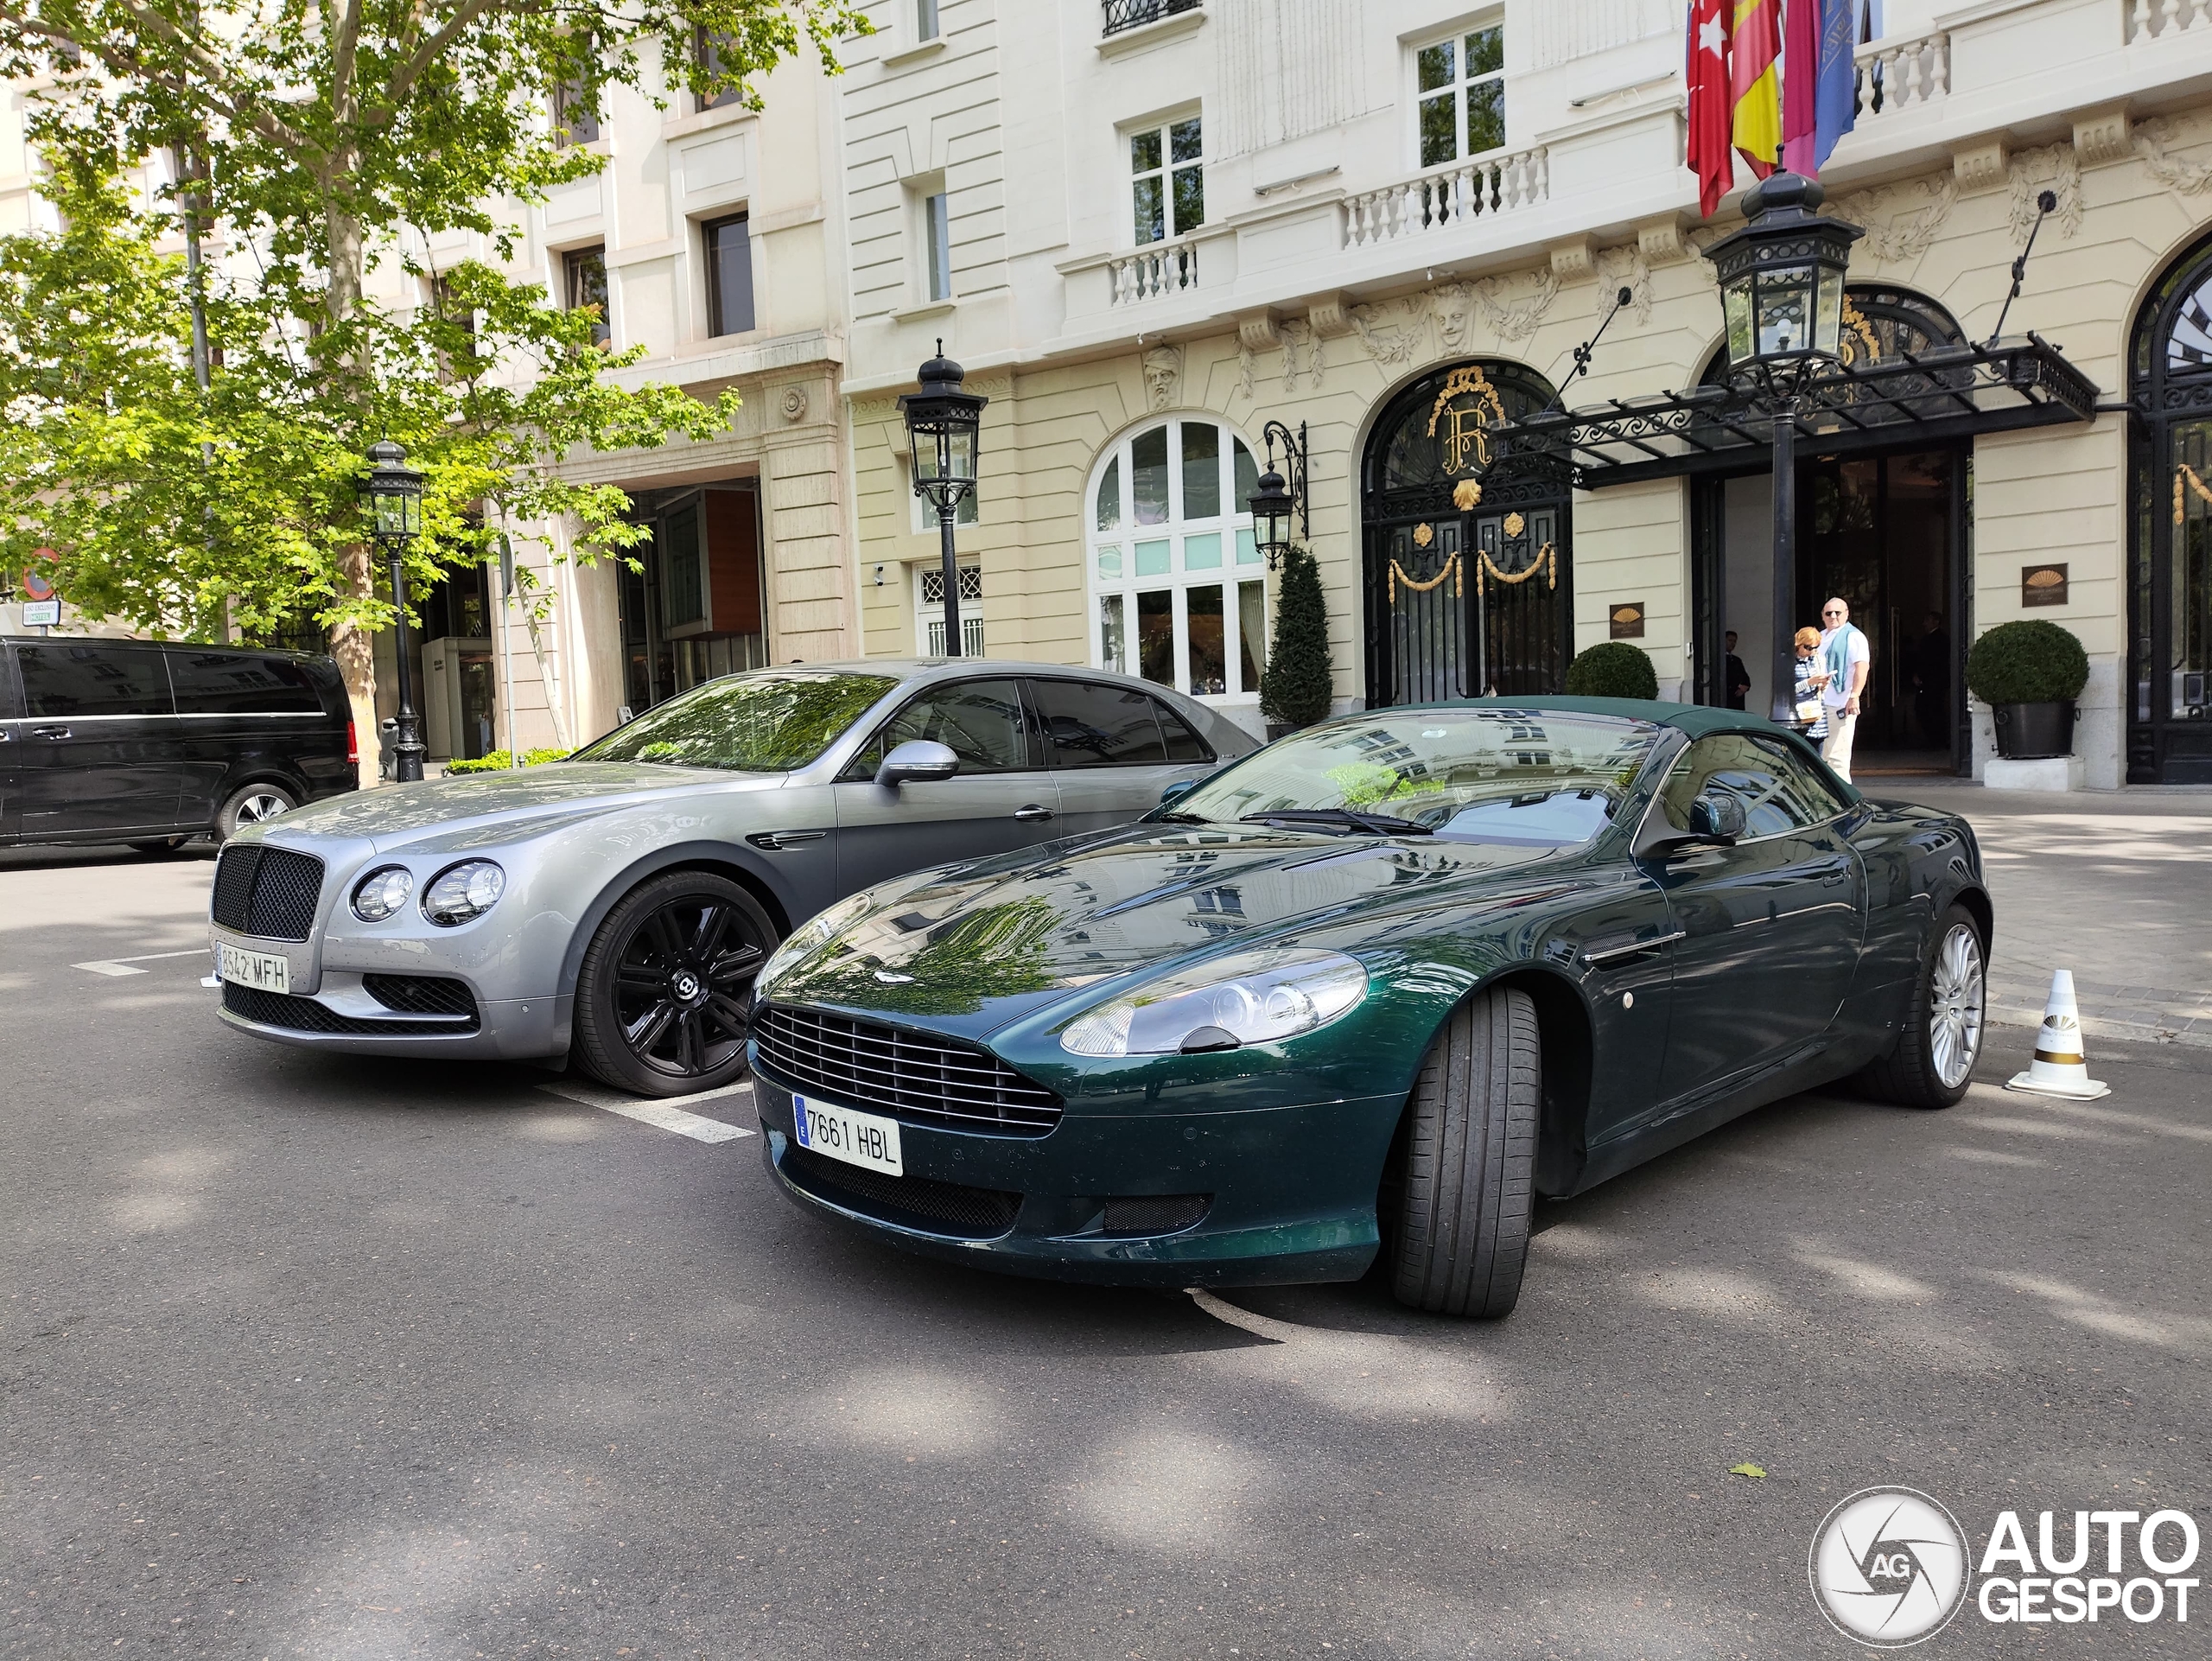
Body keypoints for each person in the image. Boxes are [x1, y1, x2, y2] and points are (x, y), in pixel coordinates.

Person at [1817, 596, 1871, 781]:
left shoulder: (1854, 636)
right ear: (1823, 616)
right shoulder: (1820, 637)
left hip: (1839, 703)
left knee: (1837, 756)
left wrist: (1854, 696)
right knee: (1821, 756)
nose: (1833, 616)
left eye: (1837, 612)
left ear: (1846, 614)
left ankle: (1843, 799)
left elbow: (1861, 667)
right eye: (1828, 613)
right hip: (1818, 705)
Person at [1911, 610, 1951, 748]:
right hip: (1932, 682)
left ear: (1936, 622)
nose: (1924, 624)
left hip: (1932, 682)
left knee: (1931, 711)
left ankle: (1935, 741)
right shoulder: (1935, 638)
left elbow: (1930, 661)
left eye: (1927, 620)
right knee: (1929, 710)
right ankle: (1934, 740)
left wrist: (1920, 676)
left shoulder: (1938, 639)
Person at [1790, 627, 1829, 744]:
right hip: (1799, 714)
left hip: (1817, 714)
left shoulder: (1818, 659)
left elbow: (1821, 691)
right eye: (1808, 647)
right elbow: (1788, 691)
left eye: (1815, 647)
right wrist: (1809, 682)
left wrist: (1823, 684)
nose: (1812, 651)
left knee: (1817, 753)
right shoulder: (1790, 661)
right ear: (1799, 644)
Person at [1724, 630, 1752, 710]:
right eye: (1730, 640)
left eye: (1734, 641)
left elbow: (1745, 678)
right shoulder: (1719, 660)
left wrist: (1744, 687)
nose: (1732, 644)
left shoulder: (1737, 660)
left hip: (1737, 700)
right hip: (1725, 698)